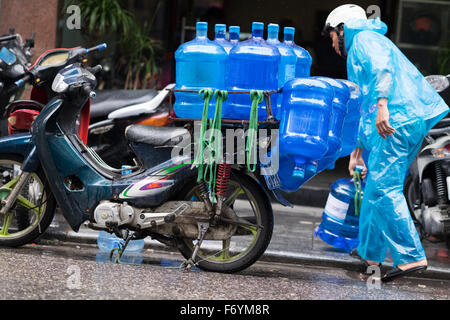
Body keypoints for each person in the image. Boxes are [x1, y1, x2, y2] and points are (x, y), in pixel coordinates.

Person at [323, 4, 449, 282]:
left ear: (342, 28)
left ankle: (411, 257)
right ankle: (370, 254)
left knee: (383, 188)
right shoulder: (359, 47)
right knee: (374, 189)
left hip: (398, 119)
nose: (331, 42)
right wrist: (357, 151)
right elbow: (363, 105)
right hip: (398, 121)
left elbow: (383, 70)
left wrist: (383, 105)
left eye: (331, 35)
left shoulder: (365, 40)